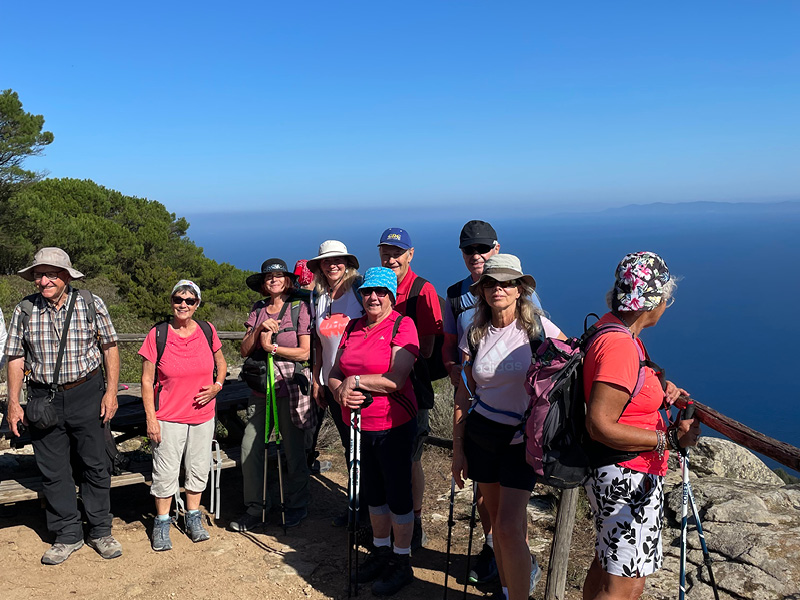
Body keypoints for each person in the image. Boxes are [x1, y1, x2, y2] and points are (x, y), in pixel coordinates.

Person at [582, 251, 700, 600]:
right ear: (653, 301)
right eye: (666, 297)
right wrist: (669, 440)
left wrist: (658, 390)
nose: (667, 304)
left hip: (615, 470)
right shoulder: (620, 345)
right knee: (625, 585)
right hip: (625, 474)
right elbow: (600, 424)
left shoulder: (611, 329)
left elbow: (623, 391)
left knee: (607, 566)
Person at [451, 254, 565, 600]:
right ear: (482, 291)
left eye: (506, 282)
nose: (497, 289)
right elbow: (462, 393)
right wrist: (458, 452)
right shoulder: (475, 332)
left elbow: (576, 366)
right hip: (482, 434)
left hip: (520, 440)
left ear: (520, 289)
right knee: (496, 526)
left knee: (507, 526)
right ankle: (506, 588)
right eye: (490, 283)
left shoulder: (540, 330)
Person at [3, 247, 122, 565]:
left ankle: (100, 530)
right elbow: (15, 358)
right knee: (53, 470)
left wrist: (111, 393)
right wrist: (13, 403)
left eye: (51, 274)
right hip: (43, 398)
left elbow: (110, 348)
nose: (44, 280)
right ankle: (68, 534)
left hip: (88, 392)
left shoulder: (90, 303)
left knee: (95, 464)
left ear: (66, 276)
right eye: (39, 274)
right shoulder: (25, 310)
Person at [328, 266, 419, 596]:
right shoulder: (353, 327)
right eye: (367, 291)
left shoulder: (402, 325)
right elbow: (335, 372)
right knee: (374, 492)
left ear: (392, 296)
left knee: (397, 494)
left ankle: (401, 561)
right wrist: (340, 390)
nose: (373, 297)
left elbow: (397, 378)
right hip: (358, 425)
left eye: (381, 292)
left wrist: (355, 382)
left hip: (393, 425)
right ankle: (381, 551)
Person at [139, 280, 227, 551]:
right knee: (165, 473)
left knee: (198, 468)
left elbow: (221, 362)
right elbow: (145, 380)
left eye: (190, 301)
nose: (183, 305)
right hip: (168, 416)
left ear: (197, 304)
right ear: (171, 301)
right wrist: (151, 418)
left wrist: (217, 386)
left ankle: (192, 516)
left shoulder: (206, 330)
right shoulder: (158, 334)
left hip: (202, 416)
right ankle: (163, 522)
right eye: (179, 299)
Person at [231, 258, 314, 532]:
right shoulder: (257, 309)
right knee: (250, 447)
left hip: (289, 385)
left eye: (279, 276)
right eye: (269, 278)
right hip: (260, 388)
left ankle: (297, 504)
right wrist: (259, 331)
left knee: (293, 448)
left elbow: (305, 352)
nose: (274, 280)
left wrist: (272, 350)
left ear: (287, 279)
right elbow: (244, 349)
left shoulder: (299, 307)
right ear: (264, 284)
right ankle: (256, 507)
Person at [377, 227, 443, 550]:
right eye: (386, 252)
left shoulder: (422, 290)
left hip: (413, 388)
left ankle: (413, 521)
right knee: (387, 458)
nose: (391, 259)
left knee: (411, 459)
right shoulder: (378, 288)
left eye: (397, 253)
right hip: (381, 391)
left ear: (410, 255)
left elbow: (428, 349)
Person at [306, 240, 364, 524]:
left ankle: (367, 507)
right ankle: (356, 505)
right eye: (326, 261)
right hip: (330, 384)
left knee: (361, 447)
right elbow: (318, 343)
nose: (332, 265)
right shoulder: (318, 298)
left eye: (337, 260)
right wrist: (318, 380)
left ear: (347, 263)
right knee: (348, 446)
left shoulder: (359, 290)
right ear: (319, 266)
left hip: (356, 384)